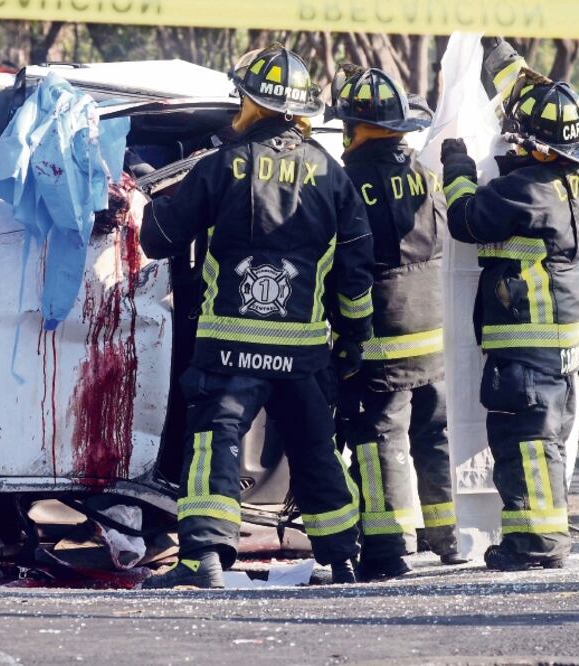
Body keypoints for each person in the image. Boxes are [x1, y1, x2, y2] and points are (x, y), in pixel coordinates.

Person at [139, 44, 374, 589]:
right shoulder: (331, 174)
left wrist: (155, 194)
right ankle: (340, 559)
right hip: (305, 351)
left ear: (249, 101)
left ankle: (205, 561)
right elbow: (356, 268)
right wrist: (352, 340)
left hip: (228, 349)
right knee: (316, 449)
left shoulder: (221, 165)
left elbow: (158, 238)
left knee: (214, 445)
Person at [441, 51, 579, 571]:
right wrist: (491, 50)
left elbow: (466, 219)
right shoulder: (568, 183)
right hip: (554, 352)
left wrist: (457, 166)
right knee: (541, 446)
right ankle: (534, 538)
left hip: (524, 351)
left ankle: (536, 542)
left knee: (526, 447)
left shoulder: (524, 190)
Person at [329, 65, 461, 581]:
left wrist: (350, 339)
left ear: (356, 126)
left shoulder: (348, 183)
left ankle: (387, 547)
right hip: (432, 327)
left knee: (379, 431)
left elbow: (350, 267)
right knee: (432, 431)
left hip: (384, 330)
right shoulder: (424, 175)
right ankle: (447, 537)